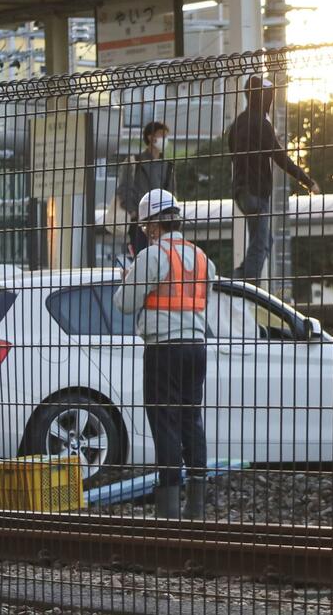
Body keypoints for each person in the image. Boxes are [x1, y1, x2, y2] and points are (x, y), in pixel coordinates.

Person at [113, 189, 215, 519]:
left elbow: (124, 304)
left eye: (145, 227)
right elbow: (202, 301)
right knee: (190, 418)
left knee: (165, 422)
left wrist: (129, 280)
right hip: (196, 348)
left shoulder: (152, 257)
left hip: (163, 349)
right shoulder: (203, 258)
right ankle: (196, 507)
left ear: (154, 224)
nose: (145, 232)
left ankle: (169, 510)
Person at [229, 75, 319, 280]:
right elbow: (280, 158)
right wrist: (308, 181)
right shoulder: (262, 124)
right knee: (260, 244)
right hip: (257, 190)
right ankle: (247, 286)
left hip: (240, 191)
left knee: (263, 239)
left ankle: (239, 276)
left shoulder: (237, 124)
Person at [116, 121, 178, 256]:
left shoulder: (167, 165)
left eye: (166, 136)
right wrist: (133, 212)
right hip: (140, 222)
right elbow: (123, 189)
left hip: (163, 222)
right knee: (142, 256)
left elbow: (172, 193)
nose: (165, 139)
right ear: (150, 137)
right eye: (161, 135)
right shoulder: (134, 161)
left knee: (164, 256)